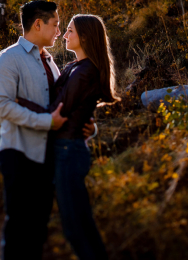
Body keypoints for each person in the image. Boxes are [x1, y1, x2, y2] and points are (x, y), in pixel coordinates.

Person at [0, 1, 95, 260]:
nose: (59, 31)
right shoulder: (9, 58)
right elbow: (2, 106)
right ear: (38, 24)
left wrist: (85, 125)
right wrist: (46, 122)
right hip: (19, 152)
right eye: (56, 25)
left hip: (47, 156)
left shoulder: (51, 63)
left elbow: (60, 108)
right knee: (18, 227)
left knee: (38, 230)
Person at [16, 14, 119, 260]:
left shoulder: (85, 72)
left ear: (84, 37)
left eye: (70, 31)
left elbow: (58, 111)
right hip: (64, 149)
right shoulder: (74, 67)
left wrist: (20, 102)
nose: (64, 35)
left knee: (75, 227)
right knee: (79, 224)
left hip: (68, 151)